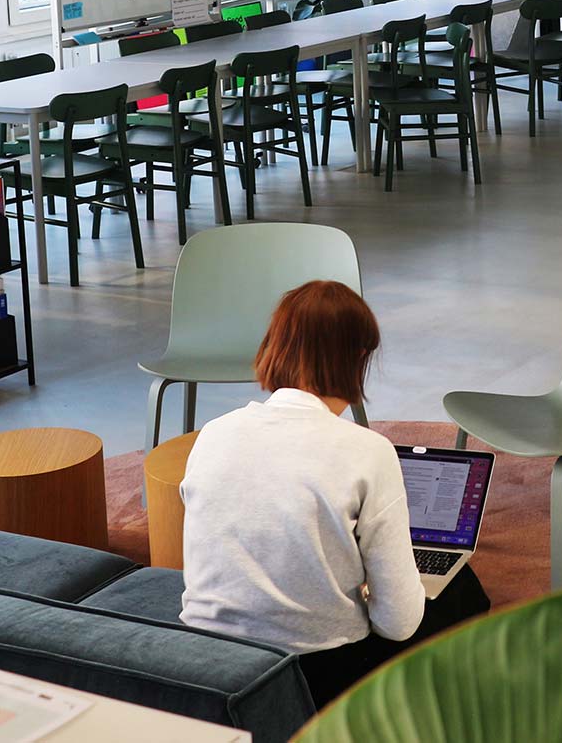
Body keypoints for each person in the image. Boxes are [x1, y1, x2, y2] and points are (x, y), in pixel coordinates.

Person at [178, 280, 489, 706]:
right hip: (318, 671)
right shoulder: (368, 451)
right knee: (461, 591)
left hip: (206, 654)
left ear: (275, 346)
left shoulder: (213, 433)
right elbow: (398, 624)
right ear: (357, 358)